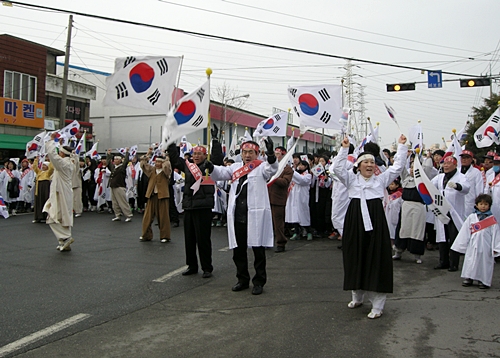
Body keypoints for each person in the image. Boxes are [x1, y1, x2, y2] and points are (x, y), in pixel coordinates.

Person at [332, 134, 407, 319]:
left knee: (376, 258)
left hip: (376, 222)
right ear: (358, 165)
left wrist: (402, 146)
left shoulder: (380, 180)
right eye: (365, 162)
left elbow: (397, 167)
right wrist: (344, 149)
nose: (369, 165)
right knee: (355, 256)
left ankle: (378, 304)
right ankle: (357, 295)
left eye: (372, 163)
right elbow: (336, 168)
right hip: (354, 220)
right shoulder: (350, 178)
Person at [209, 139, 278, 295]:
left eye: (251, 152)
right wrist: (211, 165)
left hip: (255, 216)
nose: (247, 155)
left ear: (257, 154)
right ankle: (242, 279)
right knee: (238, 251)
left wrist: (271, 154)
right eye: (245, 152)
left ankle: (259, 281)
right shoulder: (235, 168)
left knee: (258, 251)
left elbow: (272, 169)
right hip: (238, 215)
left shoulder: (261, 168)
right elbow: (219, 173)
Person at [167, 142, 222, 279]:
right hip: (189, 206)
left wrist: (215, 142)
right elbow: (174, 158)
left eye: (200, 154)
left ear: (205, 155)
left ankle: (207, 267)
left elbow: (218, 159)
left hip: (203, 207)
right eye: (195, 154)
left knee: (203, 239)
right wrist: (171, 143)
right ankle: (192, 265)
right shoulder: (187, 166)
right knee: (189, 239)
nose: (197, 156)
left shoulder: (209, 166)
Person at [451, 194, 500, 289]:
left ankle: (483, 280)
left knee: (484, 263)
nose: (483, 206)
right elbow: (465, 231)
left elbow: (496, 234)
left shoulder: (492, 220)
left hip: (486, 246)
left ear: (489, 206)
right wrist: (462, 245)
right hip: (473, 244)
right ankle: (469, 277)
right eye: (481, 204)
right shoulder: (472, 217)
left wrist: (496, 247)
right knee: (470, 260)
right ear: (477, 205)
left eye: (486, 204)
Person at [431, 156, 470, 271]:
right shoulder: (439, 177)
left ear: (455, 165)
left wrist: (457, 186)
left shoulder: (461, 177)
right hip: (442, 211)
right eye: (444, 164)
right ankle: (443, 261)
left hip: (454, 212)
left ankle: (454, 263)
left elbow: (466, 188)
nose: (446, 166)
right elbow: (430, 186)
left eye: (448, 164)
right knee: (442, 237)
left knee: (454, 238)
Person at [43, 134, 76, 252]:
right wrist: (60, 144)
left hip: (60, 193)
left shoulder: (63, 164)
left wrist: (52, 141)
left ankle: (65, 237)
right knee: (62, 217)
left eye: (60, 152)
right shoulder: (69, 162)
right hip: (61, 192)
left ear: (62, 154)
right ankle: (63, 241)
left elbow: (53, 156)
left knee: (52, 217)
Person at [139, 149, 172, 243]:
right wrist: (147, 154)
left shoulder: (166, 171)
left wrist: (165, 158)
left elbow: (167, 166)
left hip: (162, 196)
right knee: (147, 217)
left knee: (163, 217)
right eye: (156, 161)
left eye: (159, 162)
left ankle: (165, 236)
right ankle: (146, 235)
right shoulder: (152, 170)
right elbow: (143, 165)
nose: (157, 163)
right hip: (152, 195)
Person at [268, 146, 293, 252]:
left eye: (278, 154)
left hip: (278, 199)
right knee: (266, 222)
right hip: (267, 197)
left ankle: (281, 243)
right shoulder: (269, 167)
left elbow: (285, 182)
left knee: (278, 223)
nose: (276, 156)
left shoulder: (287, 169)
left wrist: (274, 178)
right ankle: (265, 242)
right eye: (275, 154)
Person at [286, 160, 313, 241]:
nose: (300, 166)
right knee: (294, 215)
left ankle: (308, 232)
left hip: (302, 198)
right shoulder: (294, 174)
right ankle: (297, 232)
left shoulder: (308, 175)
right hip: (293, 197)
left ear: (306, 167)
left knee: (303, 215)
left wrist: (292, 171)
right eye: (299, 165)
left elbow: (301, 180)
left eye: (302, 165)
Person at [107, 148, 133, 222]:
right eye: (114, 159)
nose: (115, 161)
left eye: (117, 159)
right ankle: (117, 214)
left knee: (122, 201)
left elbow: (126, 162)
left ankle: (128, 215)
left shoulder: (122, 168)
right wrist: (108, 154)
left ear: (120, 160)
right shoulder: (113, 168)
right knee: (114, 202)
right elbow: (108, 163)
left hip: (120, 186)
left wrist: (127, 153)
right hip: (113, 186)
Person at [32, 157, 53, 223]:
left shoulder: (48, 173)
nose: (43, 166)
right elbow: (35, 168)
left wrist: (51, 160)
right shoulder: (39, 172)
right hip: (39, 188)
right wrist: (36, 160)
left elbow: (51, 168)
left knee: (45, 200)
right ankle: (38, 217)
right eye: (43, 165)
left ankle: (46, 216)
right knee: (38, 202)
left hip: (45, 187)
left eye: (45, 165)